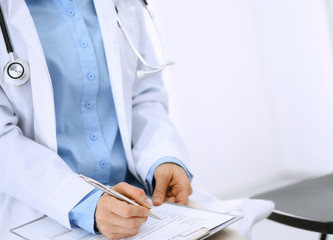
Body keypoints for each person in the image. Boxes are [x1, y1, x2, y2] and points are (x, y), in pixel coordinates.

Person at [0, 0, 194, 238]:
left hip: (141, 200)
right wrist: (84, 202)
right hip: (47, 210)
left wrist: (162, 157)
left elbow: (143, 94)